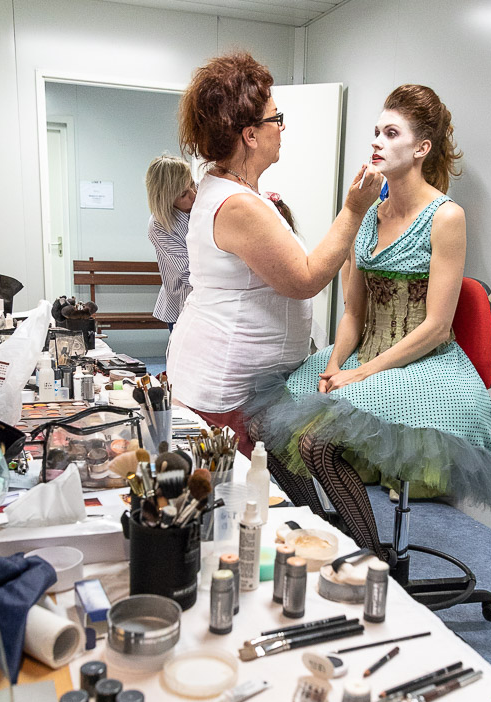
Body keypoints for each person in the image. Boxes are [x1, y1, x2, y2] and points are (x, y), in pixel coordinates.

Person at [250, 84, 491, 553]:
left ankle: (372, 562)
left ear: (421, 148)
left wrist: (359, 373)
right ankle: (325, 533)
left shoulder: (445, 216)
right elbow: (354, 310)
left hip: (422, 366)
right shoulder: (370, 213)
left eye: (389, 132)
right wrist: (335, 364)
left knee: (320, 445)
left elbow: (436, 326)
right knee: (265, 430)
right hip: (363, 356)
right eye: (375, 131)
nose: (375, 141)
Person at [166, 52, 382, 455]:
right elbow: (304, 280)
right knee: (226, 494)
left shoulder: (231, 189)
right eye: (275, 119)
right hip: (225, 387)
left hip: (232, 378)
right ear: (250, 134)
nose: (282, 129)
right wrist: (354, 209)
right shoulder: (238, 205)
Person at [146, 154, 197, 331]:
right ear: (165, 199)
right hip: (182, 302)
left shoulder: (199, 194)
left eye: (192, 184)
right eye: (183, 194)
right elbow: (188, 273)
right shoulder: (159, 226)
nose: (194, 194)